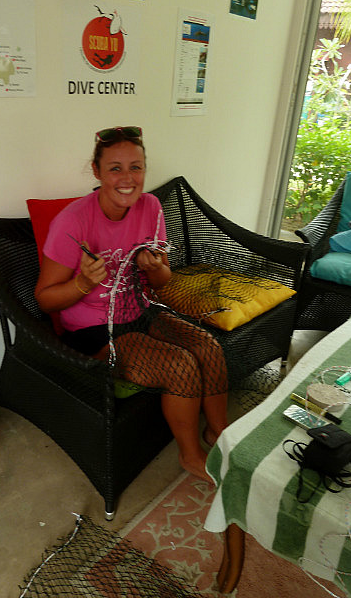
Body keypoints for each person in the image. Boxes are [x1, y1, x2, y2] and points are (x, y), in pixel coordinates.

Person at [35, 126, 228, 480]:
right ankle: (190, 455)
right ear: (96, 171)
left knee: (209, 347)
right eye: (115, 168)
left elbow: (163, 281)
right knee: (181, 366)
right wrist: (82, 283)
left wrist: (155, 269)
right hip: (93, 331)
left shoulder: (151, 207)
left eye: (135, 167)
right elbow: (44, 300)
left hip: (139, 311)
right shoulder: (73, 221)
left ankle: (220, 434)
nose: (127, 178)